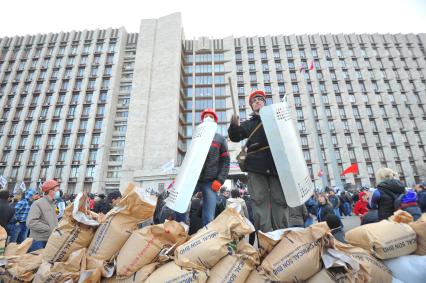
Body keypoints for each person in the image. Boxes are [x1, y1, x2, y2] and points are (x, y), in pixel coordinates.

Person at [228, 90, 289, 232]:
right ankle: (264, 236)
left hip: (276, 166)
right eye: (253, 101)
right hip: (255, 166)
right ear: (251, 106)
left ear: (264, 102)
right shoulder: (248, 124)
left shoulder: (276, 118)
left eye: (259, 99)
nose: (256, 101)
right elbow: (236, 136)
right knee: (259, 201)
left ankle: (282, 234)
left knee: (280, 200)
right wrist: (233, 126)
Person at [176, 109, 230, 226]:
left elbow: (225, 161)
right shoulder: (197, 137)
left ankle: (206, 240)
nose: (208, 117)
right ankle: (183, 228)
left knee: (208, 217)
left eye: (211, 116)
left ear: (215, 121)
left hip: (211, 182)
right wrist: (182, 178)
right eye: (206, 116)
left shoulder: (220, 139)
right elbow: (189, 159)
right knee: (178, 204)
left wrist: (220, 180)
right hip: (193, 179)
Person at [27, 179, 60, 252]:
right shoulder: (38, 203)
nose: (59, 192)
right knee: (36, 262)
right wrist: (49, 228)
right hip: (38, 241)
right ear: (51, 191)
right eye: (57, 190)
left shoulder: (54, 204)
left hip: (50, 239)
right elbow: (31, 222)